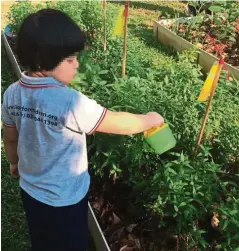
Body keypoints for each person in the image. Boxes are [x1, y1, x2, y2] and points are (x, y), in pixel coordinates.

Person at [1, 9, 164, 251]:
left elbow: (10, 138)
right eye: (69, 59)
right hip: (65, 200)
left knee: (41, 236)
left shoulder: (12, 92)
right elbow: (117, 122)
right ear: (41, 59)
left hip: (30, 190)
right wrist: (148, 119)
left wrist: (14, 164)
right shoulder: (71, 103)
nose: (77, 64)